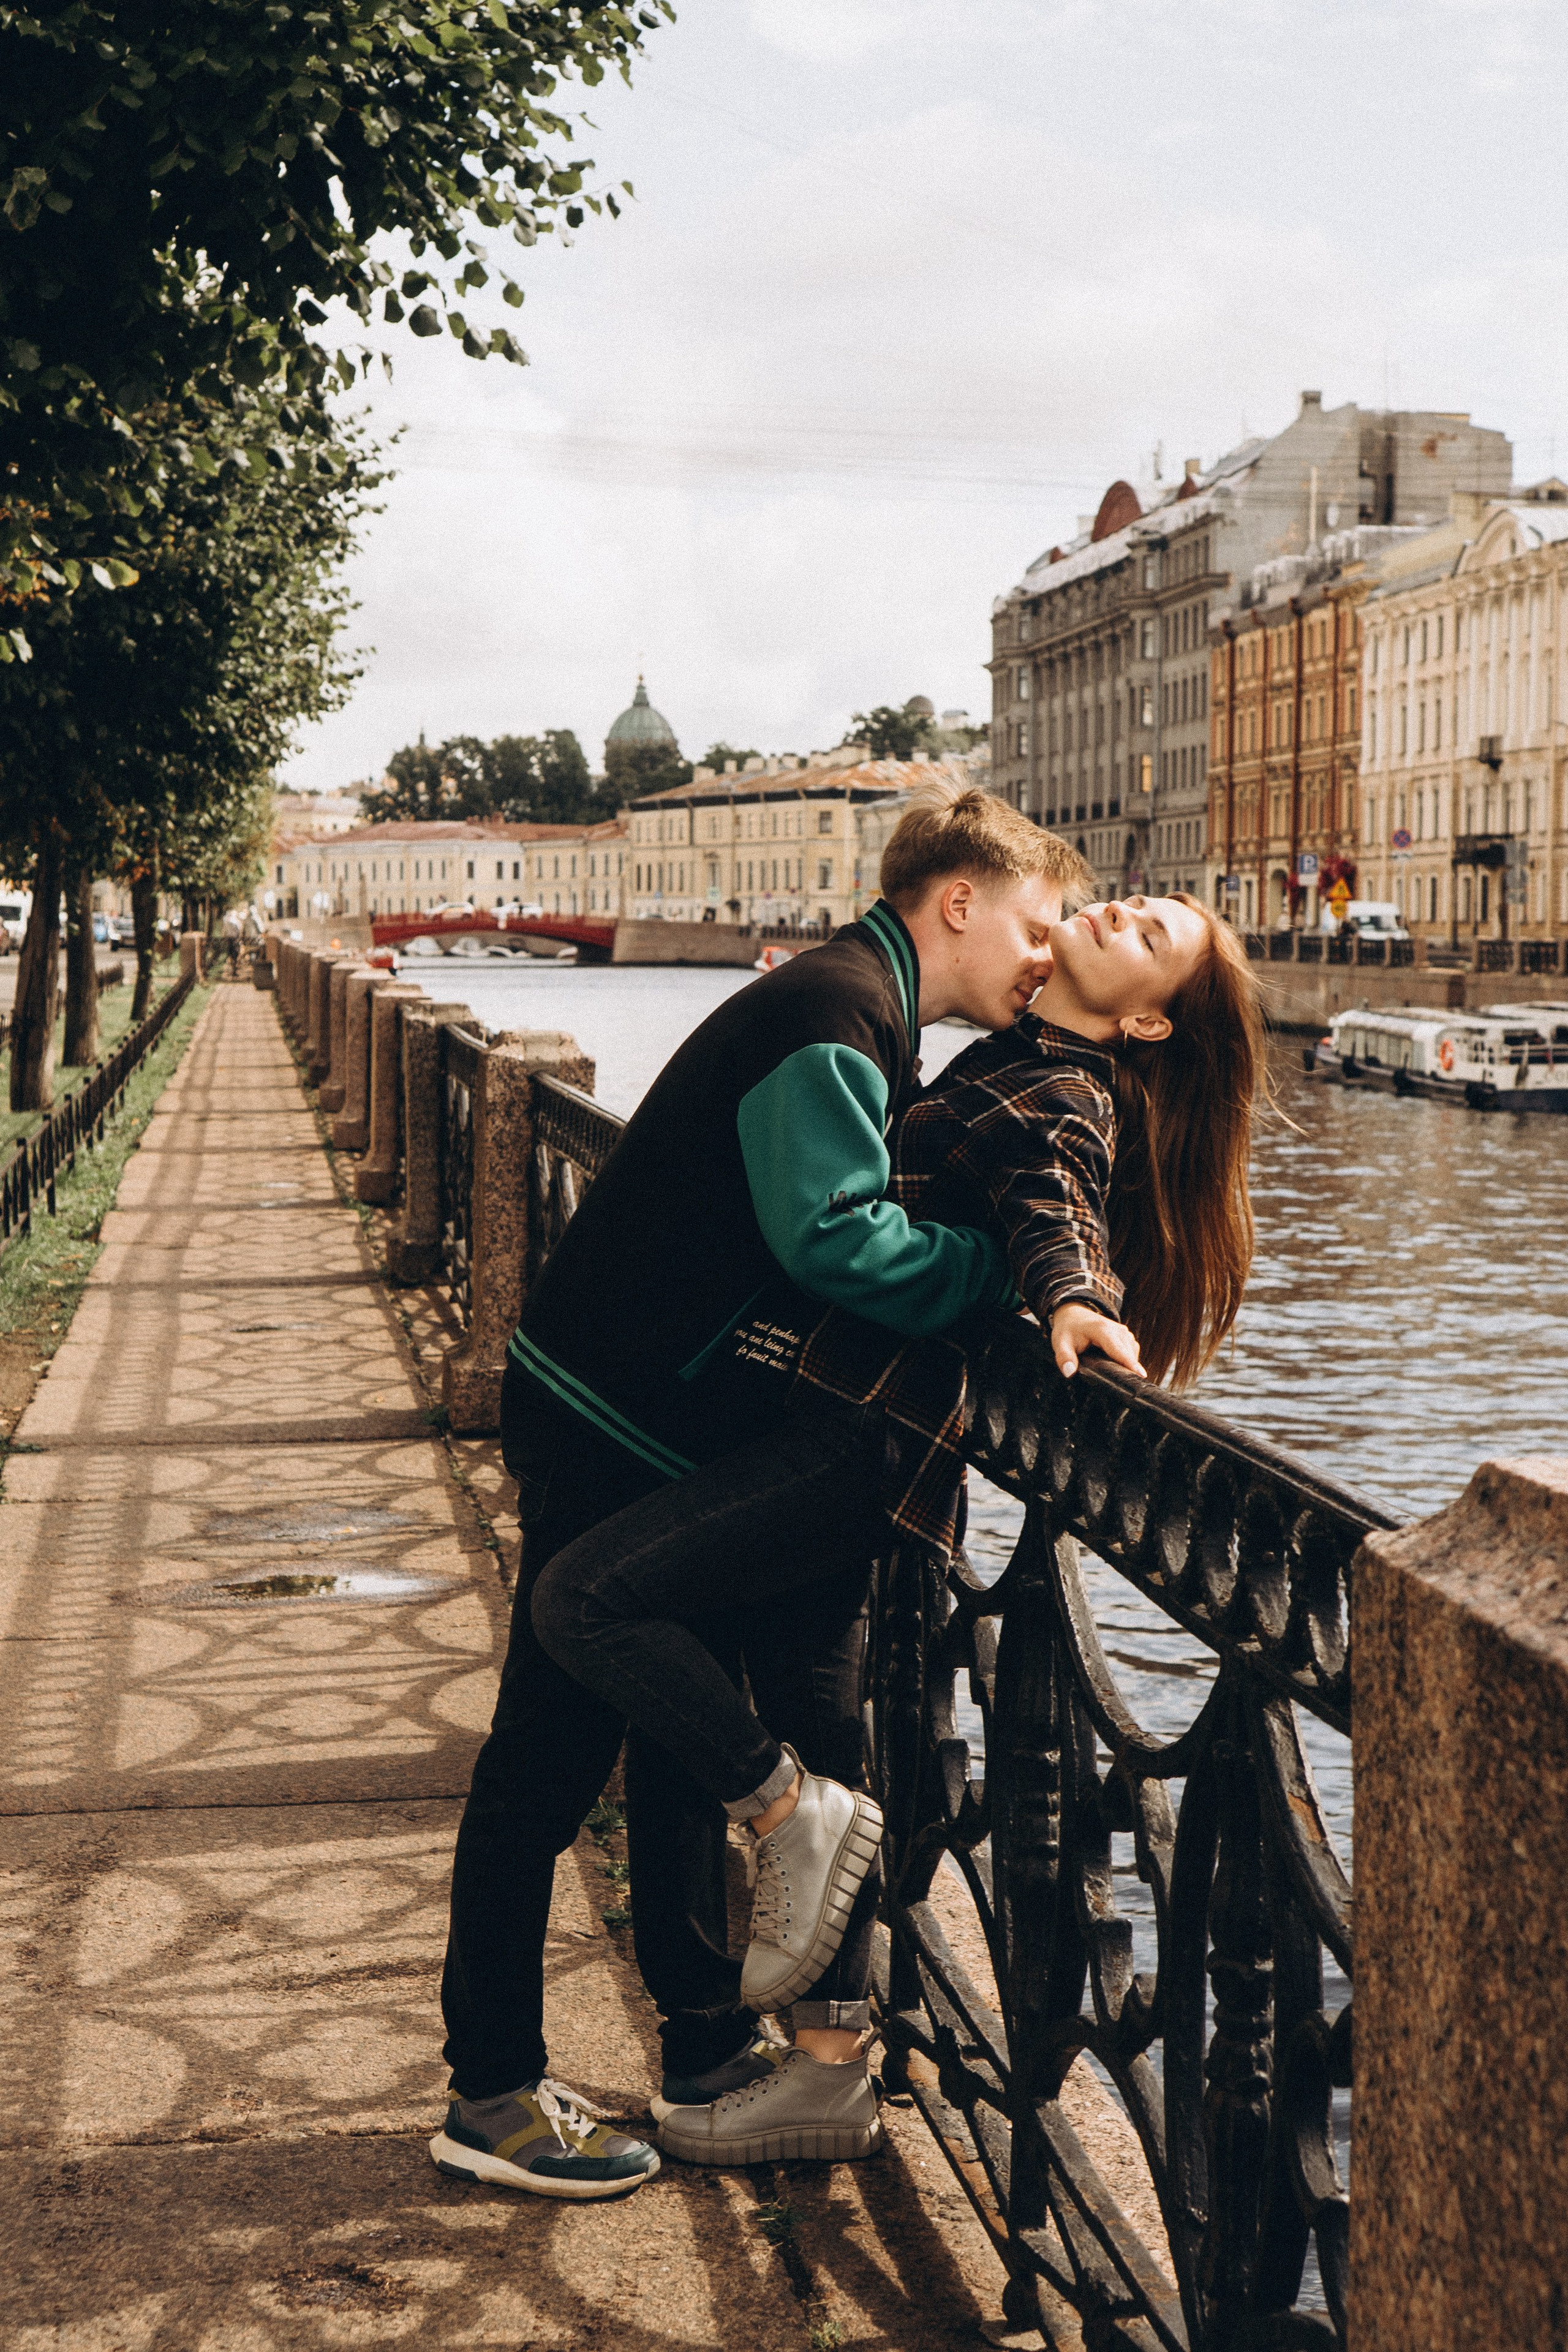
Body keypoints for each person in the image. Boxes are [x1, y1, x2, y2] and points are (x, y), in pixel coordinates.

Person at [524, 889, 1264, 2169]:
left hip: (857, 1445)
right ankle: (822, 2070)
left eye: (1150, 938)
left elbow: (1054, 1200)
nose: (1118, 913)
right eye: (1133, 903)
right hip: (827, 1429)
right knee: (823, 1731)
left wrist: (1071, 1295)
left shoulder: (1063, 1090)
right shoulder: (1009, 1053)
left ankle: (779, 1820)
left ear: (1147, 1023)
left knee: (589, 1602)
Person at [432, 788, 1090, 2200]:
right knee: (544, 1758)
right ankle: (488, 2092)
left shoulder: (854, 1004)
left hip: (645, 1410)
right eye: (1036, 926)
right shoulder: (834, 1013)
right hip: (610, 1411)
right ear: (958, 902)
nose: (1044, 955)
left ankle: (704, 2048)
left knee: (664, 1745)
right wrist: (999, 1280)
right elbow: (833, 1239)